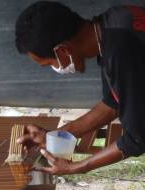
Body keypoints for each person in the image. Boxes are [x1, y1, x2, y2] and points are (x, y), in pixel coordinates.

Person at [15, 1, 145, 175]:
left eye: (48, 64)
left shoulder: (120, 52)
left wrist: (76, 167)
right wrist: (54, 136)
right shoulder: (113, 22)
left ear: (62, 50)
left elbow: (137, 138)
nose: (54, 68)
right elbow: (113, 104)